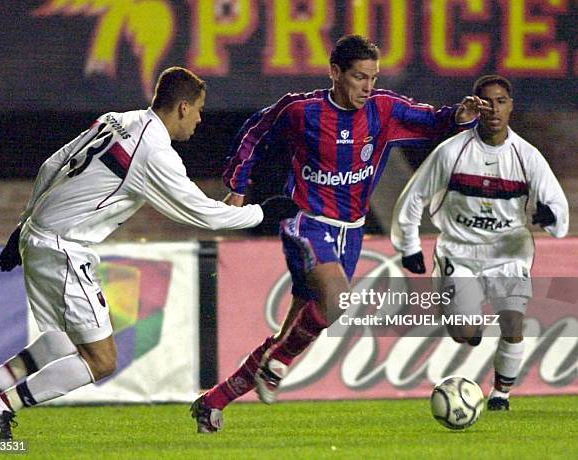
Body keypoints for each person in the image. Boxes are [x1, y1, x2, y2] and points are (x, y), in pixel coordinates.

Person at [0, 66, 289, 440]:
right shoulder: (153, 152)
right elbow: (204, 213)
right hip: (62, 248)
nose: (201, 119)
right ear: (183, 107)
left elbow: (51, 164)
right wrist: (263, 212)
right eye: (199, 110)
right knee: (101, 360)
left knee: (66, 339)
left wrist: (23, 225)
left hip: (41, 237)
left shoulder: (116, 120)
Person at [191, 34, 489, 433]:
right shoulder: (302, 110)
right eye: (359, 77)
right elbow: (255, 132)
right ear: (335, 72)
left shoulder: (384, 110)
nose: (368, 87)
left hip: (352, 230)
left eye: (374, 78)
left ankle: (215, 400)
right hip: (306, 220)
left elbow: (433, 121)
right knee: (337, 300)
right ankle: (277, 367)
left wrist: (459, 115)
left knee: (291, 331)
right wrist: (238, 185)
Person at [391, 74, 568, 410]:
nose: (494, 109)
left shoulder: (527, 157)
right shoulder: (452, 152)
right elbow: (414, 197)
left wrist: (551, 219)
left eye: (501, 101)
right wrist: (409, 245)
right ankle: (468, 318)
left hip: (508, 253)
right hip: (459, 252)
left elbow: (557, 207)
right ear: (476, 106)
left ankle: (500, 395)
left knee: (514, 323)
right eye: (487, 102)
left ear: (511, 106)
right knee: (466, 334)